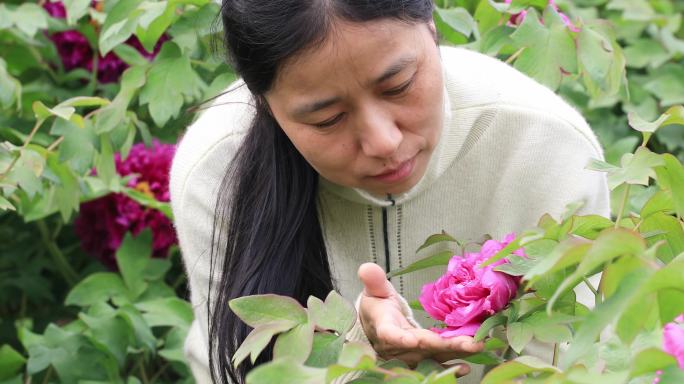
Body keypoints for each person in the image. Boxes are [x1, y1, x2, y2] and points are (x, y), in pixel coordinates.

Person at [169, 1, 611, 383]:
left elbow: (568, 361)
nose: (383, 142)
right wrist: (363, 354)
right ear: (264, 104)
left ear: (432, 32)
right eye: (327, 120)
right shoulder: (216, 171)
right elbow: (236, 370)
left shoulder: (546, 145)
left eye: (398, 86)